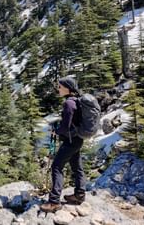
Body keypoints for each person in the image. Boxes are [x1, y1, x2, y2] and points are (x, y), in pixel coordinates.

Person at [40, 76, 86, 213]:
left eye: (60, 86)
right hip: (77, 140)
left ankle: (54, 202)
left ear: (67, 88)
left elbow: (65, 128)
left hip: (70, 141)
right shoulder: (76, 101)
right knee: (77, 167)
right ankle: (79, 195)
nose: (58, 89)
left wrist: (56, 130)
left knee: (56, 167)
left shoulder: (68, 104)